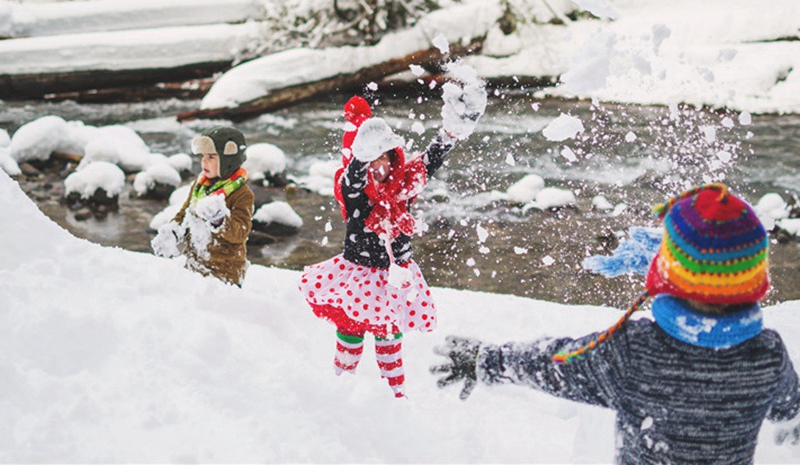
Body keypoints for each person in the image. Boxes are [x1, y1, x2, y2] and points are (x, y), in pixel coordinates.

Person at [432, 183, 800, 463]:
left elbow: (555, 362)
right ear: (754, 279)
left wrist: (485, 360)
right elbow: (789, 406)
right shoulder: (767, 355)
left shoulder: (635, 351)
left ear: (668, 272)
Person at [300, 79, 486, 398]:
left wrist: (451, 132)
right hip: (358, 275)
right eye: (372, 159)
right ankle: (340, 386)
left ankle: (395, 395)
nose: (379, 165)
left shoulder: (404, 186)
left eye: (384, 157)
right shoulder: (354, 193)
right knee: (351, 331)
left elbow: (430, 161)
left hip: (395, 275)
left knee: (389, 336)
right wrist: (360, 158)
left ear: (394, 158)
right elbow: (353, 179)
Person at [152, 125, 254, 287]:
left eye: (211, 157)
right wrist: (173, 232)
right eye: (203, 156)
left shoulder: (242, 194)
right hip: (194, 267)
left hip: (224, 274)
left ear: (228, 160)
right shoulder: (200, 186)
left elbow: (240, 233)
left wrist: (220, 221)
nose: (204, 162)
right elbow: (185, 214)